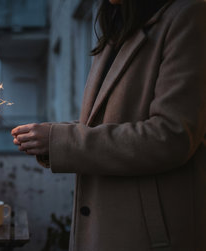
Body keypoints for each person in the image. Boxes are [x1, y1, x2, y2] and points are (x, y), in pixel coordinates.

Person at [11, 0, 206, 250]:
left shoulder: (188, 16)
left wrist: (60, 138)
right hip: (102, 224)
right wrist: (51, 139)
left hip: (148, 234)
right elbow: (107, 122)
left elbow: (172, 135)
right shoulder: (116, 28)